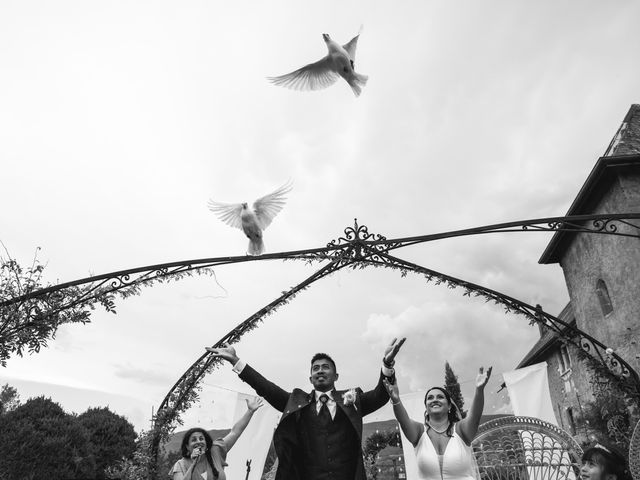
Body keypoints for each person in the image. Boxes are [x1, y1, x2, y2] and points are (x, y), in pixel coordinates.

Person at [206, 337, 406, 480]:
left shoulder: (353, 401)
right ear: (310, 378)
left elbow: (381, 394)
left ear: (336, 376)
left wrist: (387, 364)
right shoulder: (297, 403)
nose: (320, 370)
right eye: (315, 368)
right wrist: (236, 361)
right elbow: (266, 387)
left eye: (325, 367)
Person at [383, 366, 492, 480]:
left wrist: (479, 391)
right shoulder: (419, 432)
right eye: (430, 398)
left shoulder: (461, 429)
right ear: (426, 406)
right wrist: (396, 400)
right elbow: (403, 420)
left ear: (449, 405)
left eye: (440, 397)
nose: (435, 400)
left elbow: (475, 417)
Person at [169, 396, 263, 480]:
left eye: (201, 439)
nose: (198, 442)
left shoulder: (215, 451)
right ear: (187, 446)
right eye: (194, 440)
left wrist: (250, 412)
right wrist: (194, 463)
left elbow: (234, 432)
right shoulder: (180, 465)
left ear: (206, 442)